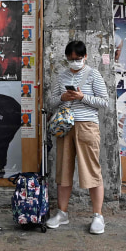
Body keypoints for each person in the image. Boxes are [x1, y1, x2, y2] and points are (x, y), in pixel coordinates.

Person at [46, 40, 109, 235]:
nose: (74, 62)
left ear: (85, 57)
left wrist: (82, 97)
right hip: (65, 126)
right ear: (66, 58)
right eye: (71, 59)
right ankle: (62, 213)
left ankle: (98, 216)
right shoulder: (61, 75)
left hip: (87, 126)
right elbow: (50, 102)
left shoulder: (93, 74)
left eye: (78, 58)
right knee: (63, 172)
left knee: (91, 170)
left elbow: (104, 102)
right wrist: (62, 99)